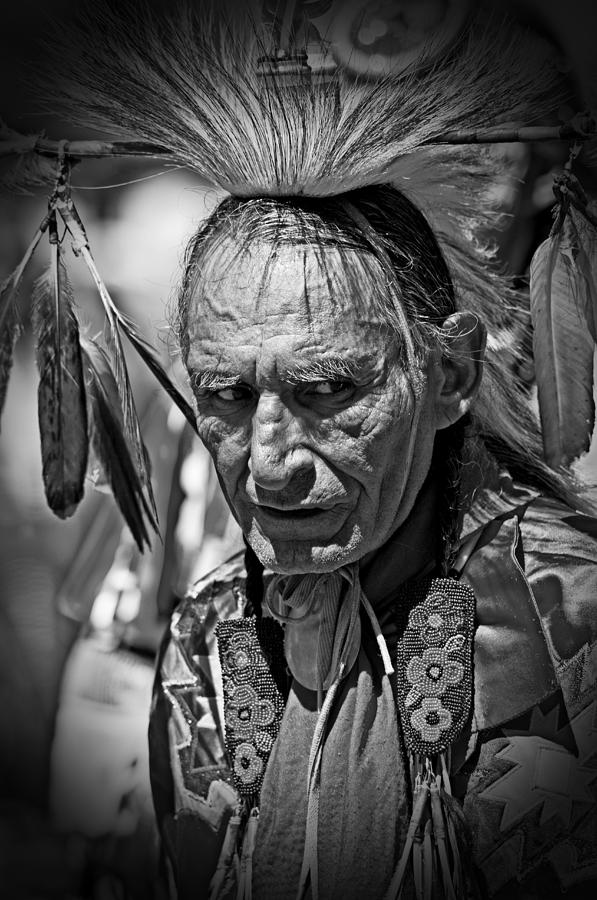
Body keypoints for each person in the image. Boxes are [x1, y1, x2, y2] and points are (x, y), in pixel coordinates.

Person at [4, 1, 597, 898]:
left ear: (450, 373)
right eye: (227, 396)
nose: (270, 461)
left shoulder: (574, 608)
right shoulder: (204, 631)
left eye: (329, 391)